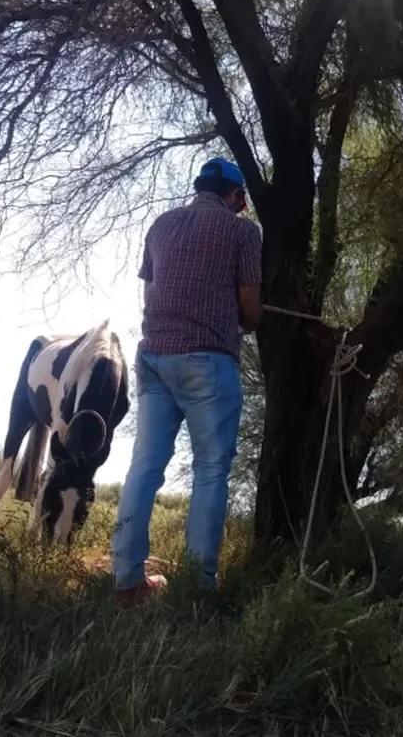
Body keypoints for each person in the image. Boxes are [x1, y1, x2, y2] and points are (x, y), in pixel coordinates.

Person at [112, 156, 262, 606]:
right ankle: (198, 588)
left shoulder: (161, 225)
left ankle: (126, 583)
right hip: (207, 362)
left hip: (154, 357)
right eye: (242, 201)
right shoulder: (243, 232)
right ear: (235, 197)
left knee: (144, 466)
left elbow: (150, 292)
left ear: (200, 187)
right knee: (211, 471)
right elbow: (252, 314)